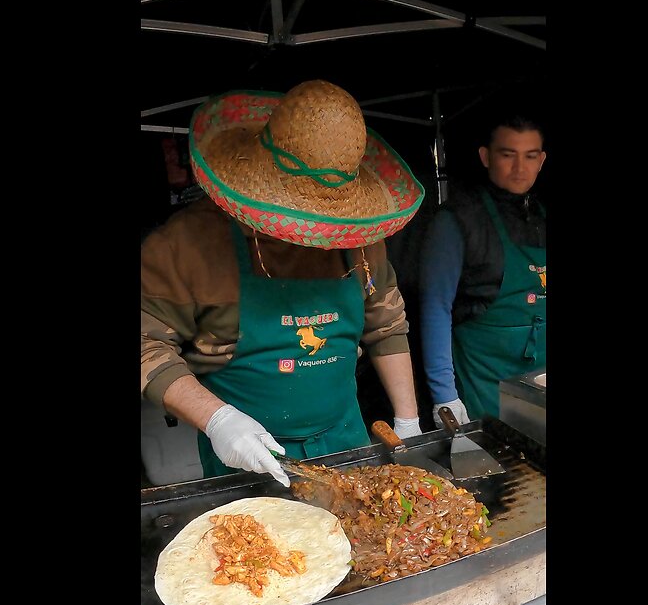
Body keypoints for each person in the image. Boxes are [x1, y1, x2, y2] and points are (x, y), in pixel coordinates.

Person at [141, 79, 426, 487]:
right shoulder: (185, 245)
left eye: (324, 221)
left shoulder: (361, 238)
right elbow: (146, 342)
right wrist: (218, 420)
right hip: (249, 456)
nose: (312, 235)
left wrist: (408, 421)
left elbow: (387, 326)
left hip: (347, 439)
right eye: (296, 216)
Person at [419, 110, 547, 425]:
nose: (520, 168)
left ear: (542, 160)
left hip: (539, 379)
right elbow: (435, 308)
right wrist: (444, 395)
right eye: (508, 155)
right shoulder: (457, 220)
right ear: (486, 156)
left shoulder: (541, 215)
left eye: (530, 156)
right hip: (484, 381)